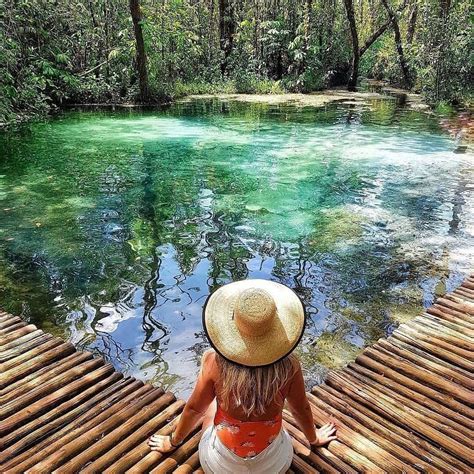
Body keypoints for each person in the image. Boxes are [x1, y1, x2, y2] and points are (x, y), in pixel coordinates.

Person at [148, 279, 337, 473]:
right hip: (274, 467)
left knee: (212, 406)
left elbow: (194, 409)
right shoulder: (289, 366)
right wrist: (314, 439)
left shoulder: (213, 361)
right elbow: (300, 409)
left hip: (220, 468)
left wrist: (172, 442)